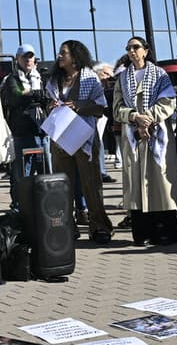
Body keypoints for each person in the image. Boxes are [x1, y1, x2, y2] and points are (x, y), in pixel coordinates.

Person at [112, 36, 177, 246]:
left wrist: (148, 118)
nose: (132, 51)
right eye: (128, 48)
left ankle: (166, 232)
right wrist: (135, 117)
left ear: (146, 50)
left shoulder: (160, 75)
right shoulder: (122, 78)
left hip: (158, 135)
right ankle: (142, 232)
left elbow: (168, 102)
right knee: (136, 183)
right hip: (133, 137)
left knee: (160, 182)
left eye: (136, 47)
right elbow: (117, 108)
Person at [46, 39, 113, 243]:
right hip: (60, 137)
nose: (59, 56)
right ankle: (67, 226)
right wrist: (50, 106)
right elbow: (47, 104)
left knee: (91, 183)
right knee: (62, 184)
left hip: (85, 136)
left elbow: (100, 108)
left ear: (75, 57)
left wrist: (78, 105)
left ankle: (99, 226)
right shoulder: (53, 80)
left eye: (63, 53)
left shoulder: (90, 78)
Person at [1, 44, 49, 210]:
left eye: (31, 56)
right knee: (21, 174)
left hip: (41, 130)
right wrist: (35, 95)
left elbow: (48, 97)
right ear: (17, 59)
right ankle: (19, 207)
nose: (28, 60)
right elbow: (15, 97)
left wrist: (32, 95)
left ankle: (45, 205)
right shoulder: (11, 79)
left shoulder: (41, 77)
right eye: (25, 57)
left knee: (45, 171)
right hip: (21, 132)